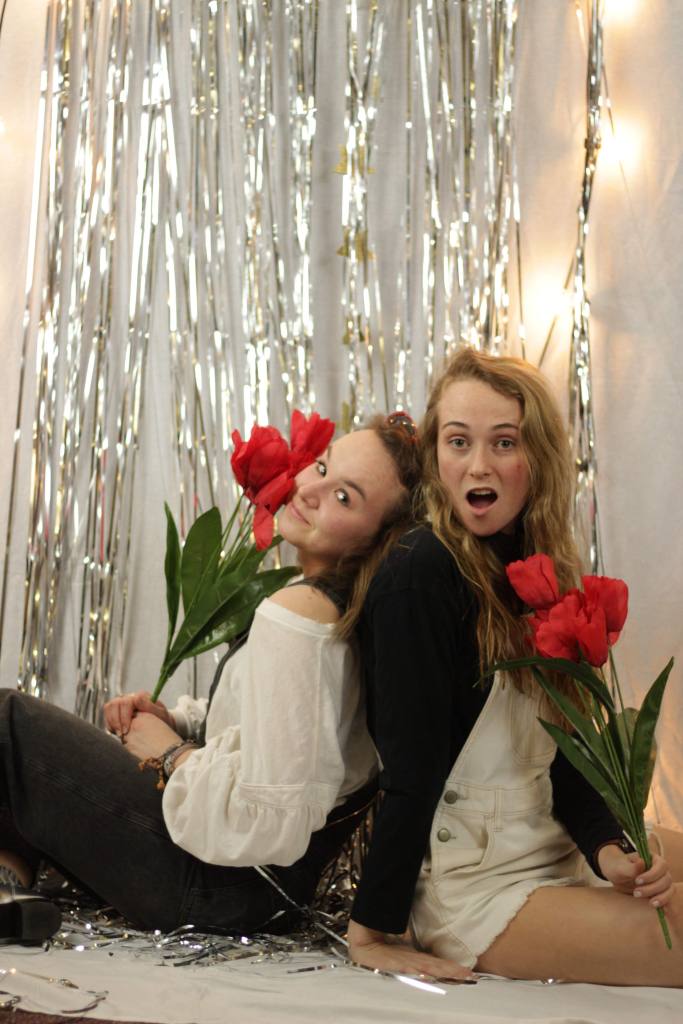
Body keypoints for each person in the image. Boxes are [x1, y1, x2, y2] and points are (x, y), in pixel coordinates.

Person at [0, 415, 421, 941]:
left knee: (8, 723)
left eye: (344, 497)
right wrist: (177, 720)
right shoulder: (338, 611)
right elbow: (275, 731)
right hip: (249, 888)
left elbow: (271, 817)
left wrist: (170, 752)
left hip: (219, 886)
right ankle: (9, 889)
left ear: (380, 540)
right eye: (321, 467)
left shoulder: (300, 617)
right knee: (20, 784)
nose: (310, 491)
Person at [347, 348, 683, 987]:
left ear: (539, 457)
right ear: (434, 456)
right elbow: (412, 769)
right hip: (476, 884)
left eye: (504, 442)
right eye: (458, 442)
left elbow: (562, 755)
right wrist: (371, 929)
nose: (478, 465)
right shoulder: (421, 572)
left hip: (549, 839)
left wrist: (609, 851)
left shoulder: (537, 568)